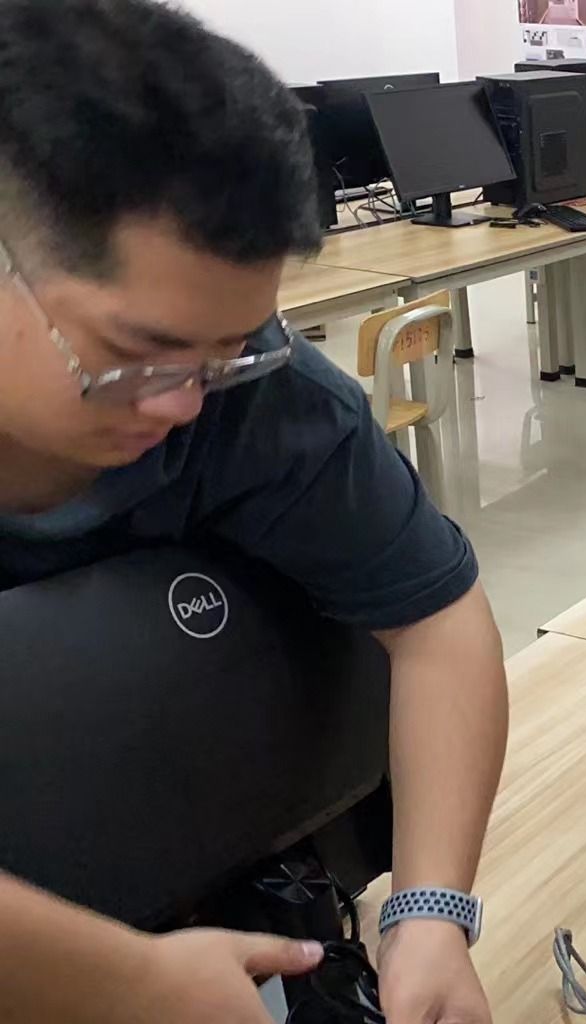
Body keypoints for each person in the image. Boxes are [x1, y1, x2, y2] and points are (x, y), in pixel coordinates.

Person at [0, 2, 507, 1021]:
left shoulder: (261, 396)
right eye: (137, 352)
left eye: (224, 352)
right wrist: (123, 984)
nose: (185, 403)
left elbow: (439, 624)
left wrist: (431, 912)